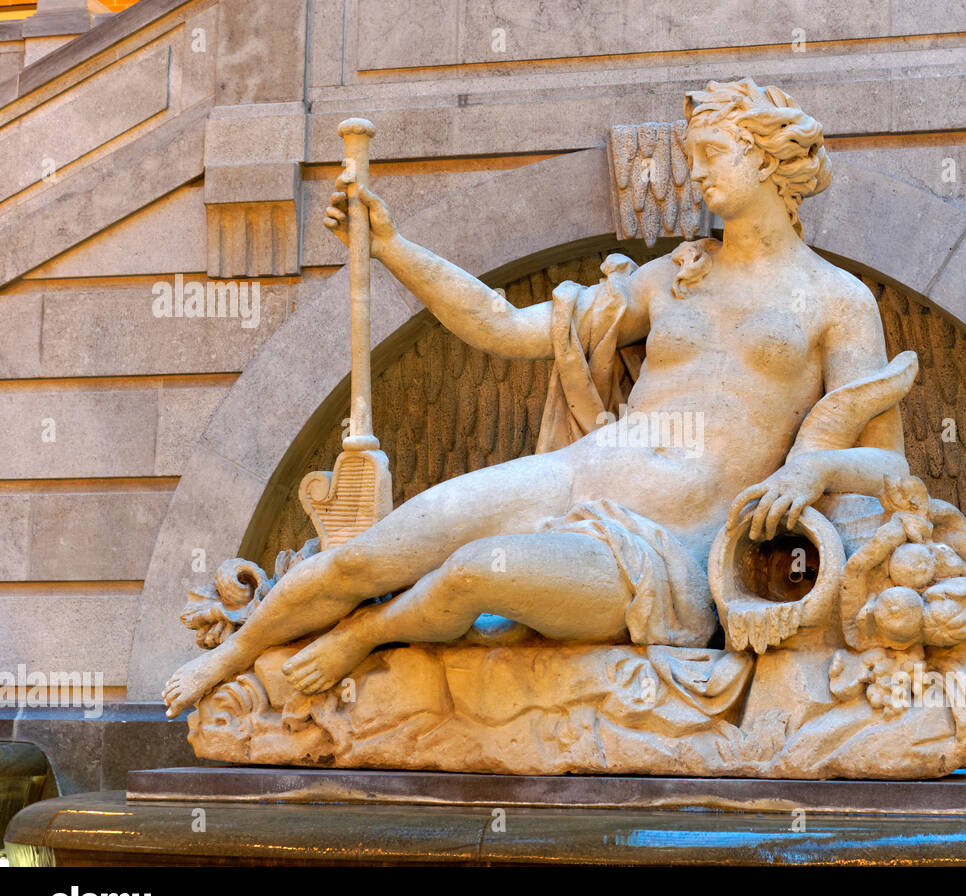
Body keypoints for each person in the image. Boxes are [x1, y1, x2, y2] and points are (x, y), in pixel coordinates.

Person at [163, 77, 910, 717]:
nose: (698, 174)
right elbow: (502, 326)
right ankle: (233, 658)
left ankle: (364, 636)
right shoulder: (670, 277)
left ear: (771, 161)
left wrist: (810, 472)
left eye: (713, 155)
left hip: (664, 548)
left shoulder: (835, 300)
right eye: (693, 157)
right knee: (365, 556)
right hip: (577, 474)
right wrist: (392, 246)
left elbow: (884, 471)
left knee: (478, 571)